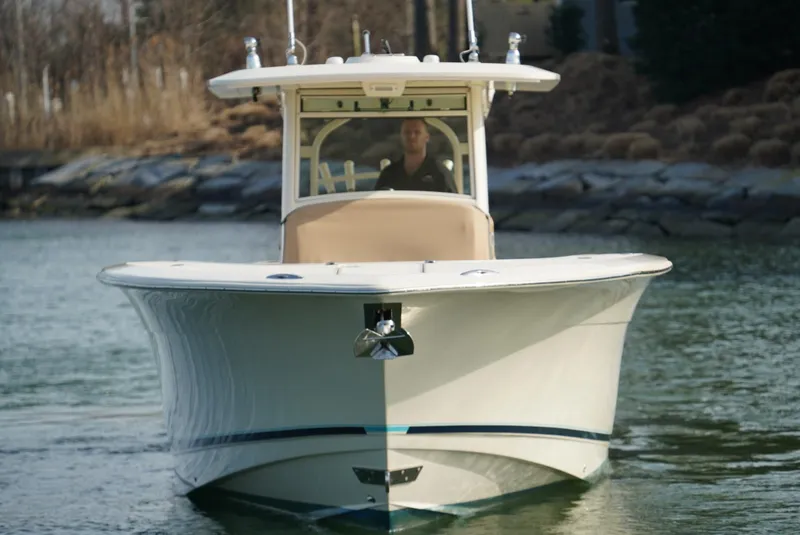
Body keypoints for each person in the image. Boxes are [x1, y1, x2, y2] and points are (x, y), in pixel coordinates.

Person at [374, 118, 459, 193]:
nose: (412, 136)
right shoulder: (389, 174)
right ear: (401, 136)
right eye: (407, 132)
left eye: (417, 132)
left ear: (427, 137)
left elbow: (455, 207)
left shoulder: (440, 174)